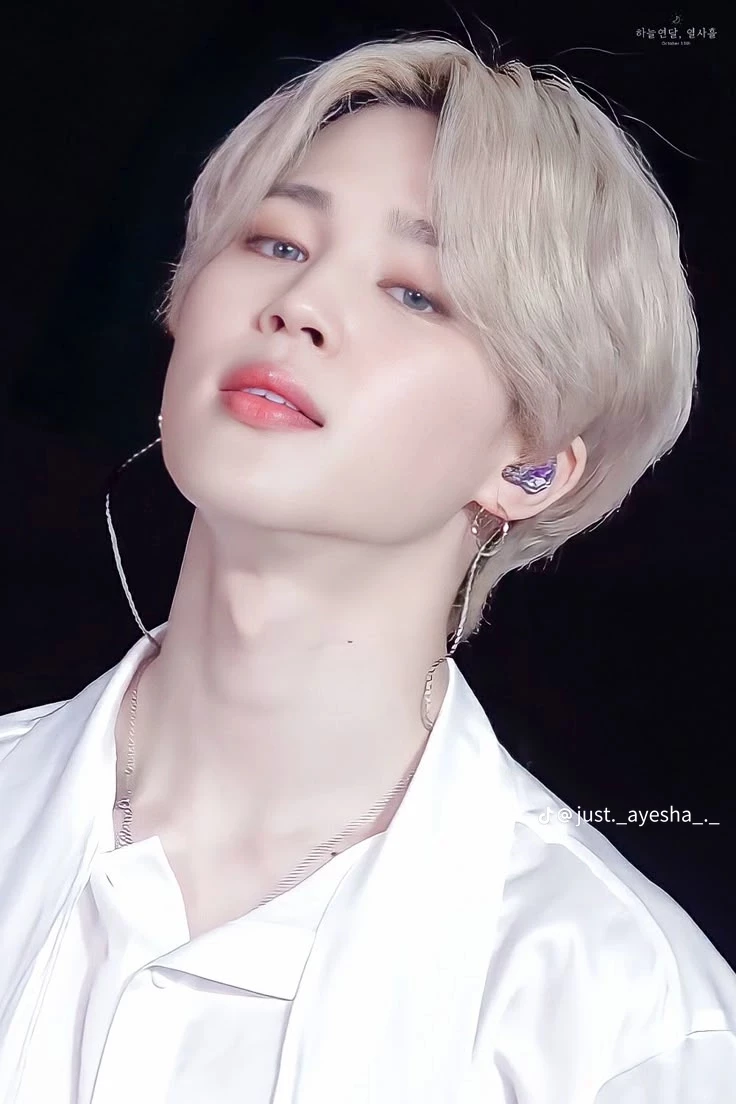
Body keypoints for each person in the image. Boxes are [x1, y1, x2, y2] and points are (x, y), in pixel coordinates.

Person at [1, 30, 734, 1104]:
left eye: (416, 293)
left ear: (530, 466)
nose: (298, 305)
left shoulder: (624, 1018)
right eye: (277, 241)